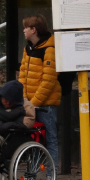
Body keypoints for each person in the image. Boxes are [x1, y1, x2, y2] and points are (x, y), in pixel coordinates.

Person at [17, 14, 60, 164]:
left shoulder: (50, 49)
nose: (23, 31)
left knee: (50, 140)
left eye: (26, 28)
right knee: (31, 140)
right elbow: (22, 74)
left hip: (45, 105)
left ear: (34, 30)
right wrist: (24, 99)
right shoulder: (28, 48)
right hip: (30, 104)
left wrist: (33, 103)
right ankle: (32, 175)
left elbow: (48, 80)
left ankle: (50, 176)